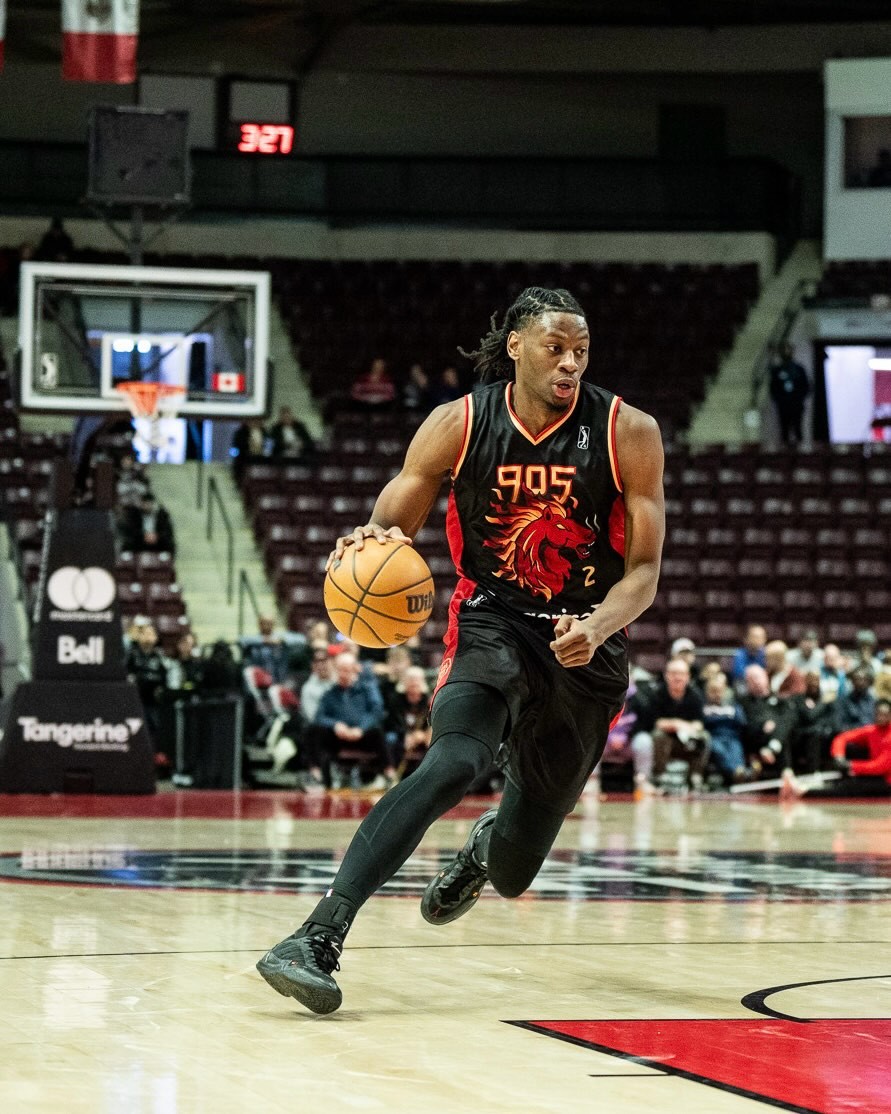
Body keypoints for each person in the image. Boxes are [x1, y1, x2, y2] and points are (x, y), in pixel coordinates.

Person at [256, 284, 664, 1014]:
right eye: (555, 348)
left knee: (514, 872)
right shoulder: (459, 422)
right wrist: (371, 540)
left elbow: (643, 572)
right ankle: (316, 936)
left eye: (580, 350)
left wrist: (599, 625)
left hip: (585, 644)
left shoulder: (627, 431)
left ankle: (483, 849)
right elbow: (394, 517)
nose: (570, 363)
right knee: (453, 762)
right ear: (516, 346)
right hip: (492, 620)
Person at [631, 657, 708, 791]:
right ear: (667, 675)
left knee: (704, 737)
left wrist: (686, 727)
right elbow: (656, 722)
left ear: (688, 676)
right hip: (665, 739)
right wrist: (675, 724)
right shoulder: (656, 694)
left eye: (681, 674)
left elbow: (699, 723)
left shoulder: (696, 695)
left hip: (687, 738)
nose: (677, 677)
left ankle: (695, 777)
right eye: (674, 673)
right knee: (658, 735)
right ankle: (659, 776)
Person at [769, 342, 810, 448]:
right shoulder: (777, 370)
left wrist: (798, 398)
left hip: (796, 405)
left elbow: (806, 387)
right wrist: (780, 400)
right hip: (783, 405)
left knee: (798, 428)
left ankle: (800, 450)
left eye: (788, 350)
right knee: (784, 429)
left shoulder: (799, 369)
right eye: (784, 350)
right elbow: (773, 388)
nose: (786, 353)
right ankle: (785, 452)